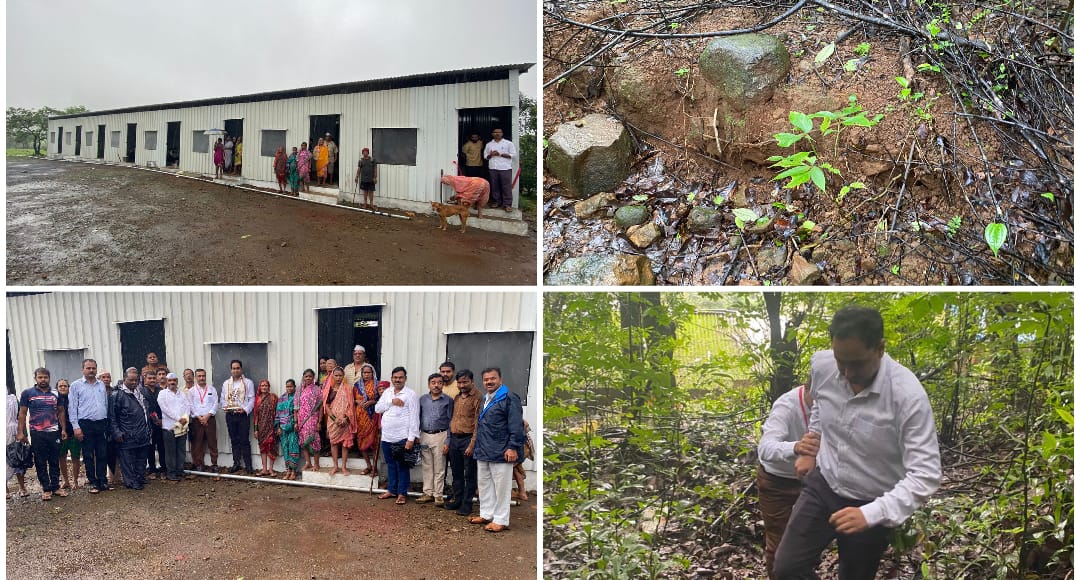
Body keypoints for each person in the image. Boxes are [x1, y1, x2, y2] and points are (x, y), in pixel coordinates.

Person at [774, 306, 942, 580]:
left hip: (871, 500)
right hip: (823, 484)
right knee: (787, 569)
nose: (848, 373)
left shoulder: (907, 397)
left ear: (880, 348)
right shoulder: (823, 365)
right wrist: (812, 447)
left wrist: (872, 513)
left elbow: (926, 474)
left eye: (858, 363)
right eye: (842, 361)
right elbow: (819, 405)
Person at [757, 384, 812, 579]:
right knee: (779, 544)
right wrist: (797, 447)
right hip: (777, 482)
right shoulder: (787, 406)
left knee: (805, 540)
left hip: (812, 479)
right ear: (808, 389)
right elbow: (765, 448)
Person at [471, 367, 524, 533]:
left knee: (501, 487)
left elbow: (516, 425)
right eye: (486, 379)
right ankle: (486, 514)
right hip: (484, 449)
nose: (489, 382)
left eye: (493, 378)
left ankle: (501, 520)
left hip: (502, 450)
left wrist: (513, 447)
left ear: (500, 380)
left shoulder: (509, 398)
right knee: (485, 484)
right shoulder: (486, 398)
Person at [18, 368, 68, 500]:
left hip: (54, 432)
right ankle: (46, 489)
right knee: (40, 461)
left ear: (49, 378)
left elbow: (61, 411)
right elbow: (22, 413)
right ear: (35, 378)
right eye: (40, 377)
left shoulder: (56, 393)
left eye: (45, 377)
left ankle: (56, 487)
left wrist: (63, 429)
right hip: (37, 433)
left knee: (54, 460)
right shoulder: (27, 393)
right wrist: (21, 432)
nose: (43, 380)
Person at [375, 367, 420, 505]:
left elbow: (414, 417)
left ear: (405, 379)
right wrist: (391, 402)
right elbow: (378, 408)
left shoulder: (410, 394)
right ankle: (391, 490)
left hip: (402, 437)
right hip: (387, 436)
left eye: (400, 377)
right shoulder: (388, 392)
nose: (397, 380)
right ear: (392, 378)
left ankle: (402, 493)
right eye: (395, 377)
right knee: (390, 465)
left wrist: (411, 438)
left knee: (402, 466)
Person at [70, 358, 110, 494]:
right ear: (83, 369)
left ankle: (102, 480)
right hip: (85, 424)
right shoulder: (76, 385)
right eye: (88, 368)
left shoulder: (101, 385)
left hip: (101, 423)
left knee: (102, 453)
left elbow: (105, 404)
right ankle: (92, 482)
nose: (91, 370)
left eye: (93, 368)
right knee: (88, 455)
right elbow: (72, 408)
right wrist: (76, 427)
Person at [444, 369, 481, 515]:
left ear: (472, 381)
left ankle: (467, 504)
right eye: (459, 382)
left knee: (469, 474)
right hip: (455, 439)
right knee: (457, 472)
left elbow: (478, 423)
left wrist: (472, 444)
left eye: (465, 382)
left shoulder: (478, 397)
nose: (462, 385)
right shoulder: (458, 398)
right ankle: (457, 500)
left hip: (468, 439)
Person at [108, 368, 151, 490]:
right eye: (130, 380)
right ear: (124, 379)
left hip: (143, 432)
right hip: (127, 434)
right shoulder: (117, 395)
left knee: (141, 459)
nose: (133, 382)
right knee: (128, 461)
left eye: (136, 380)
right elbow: (112, 416)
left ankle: (140, 478)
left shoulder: (141, 392)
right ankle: (131, 482)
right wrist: (116, 432)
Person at [417, 372, 454, 505]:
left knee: (439, 466)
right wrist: (417, 436)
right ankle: (427, 492)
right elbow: (418, 418)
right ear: (429, 384)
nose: (436, 385)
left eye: (439, 383)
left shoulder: (448, 400)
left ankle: (438, 494)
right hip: (425, 435)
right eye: (433, 383)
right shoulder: (422, 399)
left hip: (441, 435)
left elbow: (451, 421)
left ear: (443, 384)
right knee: (427, 466)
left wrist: (448, 441)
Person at [220, 359, 256, 475]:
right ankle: (236, 463)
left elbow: (252, 399)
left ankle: (249, 466)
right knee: (234, 440)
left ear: (241, 369)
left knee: (244, 440)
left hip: (242, 415)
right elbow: (222, 399)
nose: (235, 370)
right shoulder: (226, 383)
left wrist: (245, 409)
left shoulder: (248, 383)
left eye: (237, 368)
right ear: (231, 370)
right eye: (233, 368)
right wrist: (225, 406)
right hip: (230, 415)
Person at [158, 373, 190, 482]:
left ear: (177, 381)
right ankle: (171, 473)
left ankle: (180, 471)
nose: (172, 382)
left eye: (174, 380)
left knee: (181, 450)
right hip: (169, 427)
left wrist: (185, 418)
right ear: (167, 382)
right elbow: (165, 409)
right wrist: (178, 418)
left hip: (182, 426)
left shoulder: (182, 394)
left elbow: (187, 406)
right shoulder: (162, 394)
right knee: (170, 451)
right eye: (170, 380)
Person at [323, 367, 355, 476]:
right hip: (333, 421)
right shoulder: (329, 389)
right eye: (336, 375)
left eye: (340, 375)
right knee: (333, 443)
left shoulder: (347, 388)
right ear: (332, 376)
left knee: (345, 444)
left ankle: (344, 467)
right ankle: (335, 466)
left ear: (343, 376)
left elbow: (351, 405)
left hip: (345, 421)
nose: (338, 378)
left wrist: (345, 419)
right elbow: (326, 406)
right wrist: (334, 419)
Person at [188, 369, 219, 473]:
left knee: (212, 442)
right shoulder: (192, 391)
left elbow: (215, 403)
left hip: (210, 419)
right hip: (197, 420)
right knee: (198, 443)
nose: (201, 378)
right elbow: (190, 405)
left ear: (206, 376)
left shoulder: (212, 389)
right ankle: (199, 464)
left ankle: (214, 464)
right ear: (196, 378)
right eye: (199, 376)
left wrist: (207, 415)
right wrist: (199, 417)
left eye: (203, 376)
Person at [353, 363, 381, 476]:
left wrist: (372, 402)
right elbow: (353, 399)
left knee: (374, 442)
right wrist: (358, 401)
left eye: (369, 372)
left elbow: (382, 399)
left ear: (372, 373)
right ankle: (368, 465)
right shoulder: (357, 385)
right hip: (360, 417)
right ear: (361, 373)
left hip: (372, 417)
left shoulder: (377, 385)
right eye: (364, 372)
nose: (366, 374)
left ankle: (374, 467)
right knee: (361, 441)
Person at [55, 379, 82, 491]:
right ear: (57, 388)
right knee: (62, 457)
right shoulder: (54, 400)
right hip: (60, 433)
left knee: (76, 457)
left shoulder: (73, 399)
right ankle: (66, 481)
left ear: (69, 387)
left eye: (65, 386)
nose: (62, 388)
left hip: (73, 432)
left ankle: (75, 480)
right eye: (60, 386)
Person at [483, 127, 516, 212]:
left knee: (506, 187)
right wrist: (491, 155)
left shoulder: (508, 143)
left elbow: (513, 155)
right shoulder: (489, 144)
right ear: (492, 134)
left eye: (499, 132)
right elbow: (485, 156)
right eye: (495, 132)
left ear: (502, 133)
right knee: (494, 186)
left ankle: (507, 204)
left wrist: (500, 154)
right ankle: (496, 202)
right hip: (493, 168)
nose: (497, 133)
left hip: (505, 168)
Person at [297, 368, 323, 472]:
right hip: (301, 420)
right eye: (306, 376)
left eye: (310, 376)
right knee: (303, 441)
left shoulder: (317, 390)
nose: (308, 378)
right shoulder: (299, 389)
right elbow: (296, 407)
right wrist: (295, 421)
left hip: (312, 418)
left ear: (313, 378)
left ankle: (316, 464)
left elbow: (321, 406)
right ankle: (308, 462)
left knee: (314, 440)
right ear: (303, 377)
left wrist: (319, 422)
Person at [7, 383, 29, 499]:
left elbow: (21, 416)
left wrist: (23, 433)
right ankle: (5, 490)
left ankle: (22, 487)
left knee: (18, 459)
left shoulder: (12, 400)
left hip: (14, 432)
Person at [143, 369, 166, 480]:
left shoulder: (160, 390)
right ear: (145, 379)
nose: (152, 380)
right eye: (149, 378)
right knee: (150, 447)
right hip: (148, 424)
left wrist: (161, 420)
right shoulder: (142, 391)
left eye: (153, 378)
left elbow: (165, 406)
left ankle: (163, 469)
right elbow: (145, 408)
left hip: (161, 423)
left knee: (162, 447)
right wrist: (154, 419)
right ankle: (152, 469)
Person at [276, 379, 301, 480]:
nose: (289, 388)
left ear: (294, 387)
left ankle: (294, 471)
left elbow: (299, 412)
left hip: (293, 427)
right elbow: (277, 413)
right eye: (287, 387)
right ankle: (288, 470)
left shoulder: (297, 397)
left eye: (291, 386)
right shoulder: (281, 398)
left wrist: (296, 423)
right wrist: (278, 427)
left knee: (293, 447)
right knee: (285, 448)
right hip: (283, 428)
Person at [254, 379, 278, 476]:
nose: (264, 387)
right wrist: (256, 430)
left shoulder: (273, 397)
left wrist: (277, 426)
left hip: (272, 426)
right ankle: (264, 469)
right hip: (261, 427)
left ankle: (271, 469)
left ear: (269, 387)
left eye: (266, 385)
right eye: (262, 386)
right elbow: (256, 416)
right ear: (260, 387)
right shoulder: (257, 399)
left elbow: (278, 412)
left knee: (271, 447)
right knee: (263, 448)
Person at [512, 419, 534, 502]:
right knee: (516, 468)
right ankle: (522, 492)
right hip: (522, 444)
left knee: (515, 468)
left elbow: (526, 424)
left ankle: (522, 493)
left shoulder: (511, 413)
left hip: (520, 445)